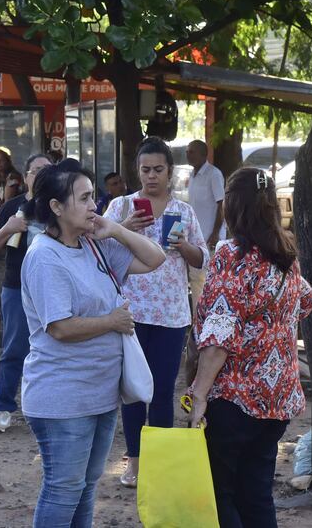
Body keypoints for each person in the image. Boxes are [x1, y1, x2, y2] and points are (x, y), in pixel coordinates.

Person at [21, 161, 165, 527]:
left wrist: (115, 229)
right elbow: (60, 328)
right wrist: (112, 322)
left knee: (85, 489)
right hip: (63, 397)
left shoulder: (92, 245)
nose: (93, 207)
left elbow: (155, 258)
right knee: (63, 490)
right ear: (56, 207)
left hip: (100, 393)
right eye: (84, 199)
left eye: (92, 198)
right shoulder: (44, 256)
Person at [188, 168, 312, 528]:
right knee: (256, 493)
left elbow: (220, 334)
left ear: (231, 205)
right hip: (279, 397)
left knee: (220, 493)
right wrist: (270, 326)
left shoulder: (232, 254)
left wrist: (199, 394)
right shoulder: (285, 253)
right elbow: (306, 300)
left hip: (235, 399)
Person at [103, 136, 208, 488]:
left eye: (158, 170)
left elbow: (202, 259)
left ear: (170, 171)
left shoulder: (184, 211)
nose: (151, 177)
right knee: (133, 388)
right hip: (130, 311)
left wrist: (184, 245)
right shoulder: (120, 207)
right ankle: (134, 462)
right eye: (145, 170)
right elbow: (95, 245)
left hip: (172, 314)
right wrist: (124, 230)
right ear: (137, 171)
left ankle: (159, 466)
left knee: (163, 389)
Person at [0, 153, 52, 432]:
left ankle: (47, 408)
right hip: (16, 287)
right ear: (25, 177)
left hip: (53, 290)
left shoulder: (61, 207)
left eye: (47, 170)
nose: (41, 175)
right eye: (36, 170)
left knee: (53, 349)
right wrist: (9, 227)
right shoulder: (13, 206)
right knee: (14, 348)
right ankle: (3, 407)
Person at [186, 139, 225, 308]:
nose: (188, 155)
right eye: (187, 151)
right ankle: (198, 323)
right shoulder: (191, 175)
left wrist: (216, 232)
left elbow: (221, 204)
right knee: (196, 281)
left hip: (210, 238)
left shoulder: (213, 174)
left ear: (204, 154)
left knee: (208, 281)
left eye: (192, 151)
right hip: (195, 236)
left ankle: (204, 323)